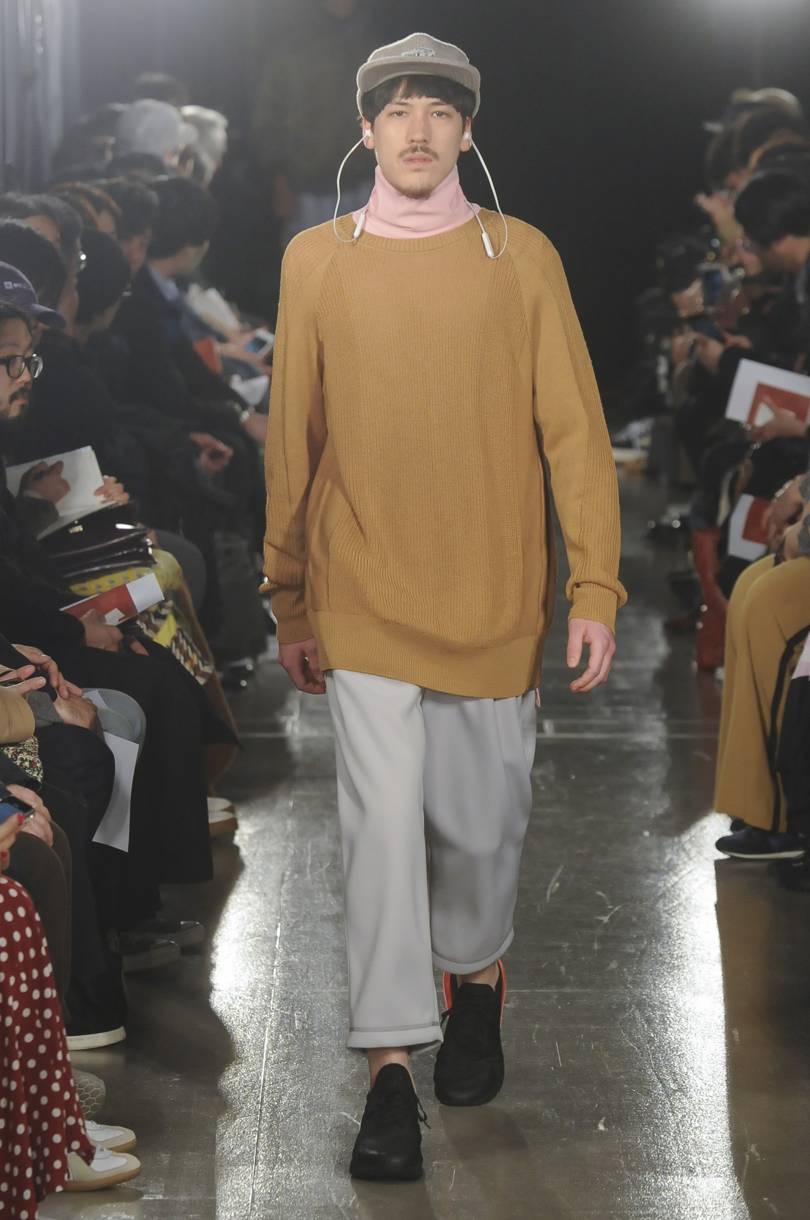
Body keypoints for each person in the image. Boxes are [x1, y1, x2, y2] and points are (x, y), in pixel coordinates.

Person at [263, 32, 626, 1181]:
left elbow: (575, 432)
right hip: (362, 583)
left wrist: (596, 584)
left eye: (439, 111)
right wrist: (289, 597)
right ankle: (387, 1073)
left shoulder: (522, 257)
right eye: (396, 111)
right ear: (365, 129)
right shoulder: (316, 260)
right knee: (377, 832)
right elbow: (292, 437)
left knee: (477, 828)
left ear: (469, 130)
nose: (417, 131)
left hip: (493, 590)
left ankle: (477, 973)